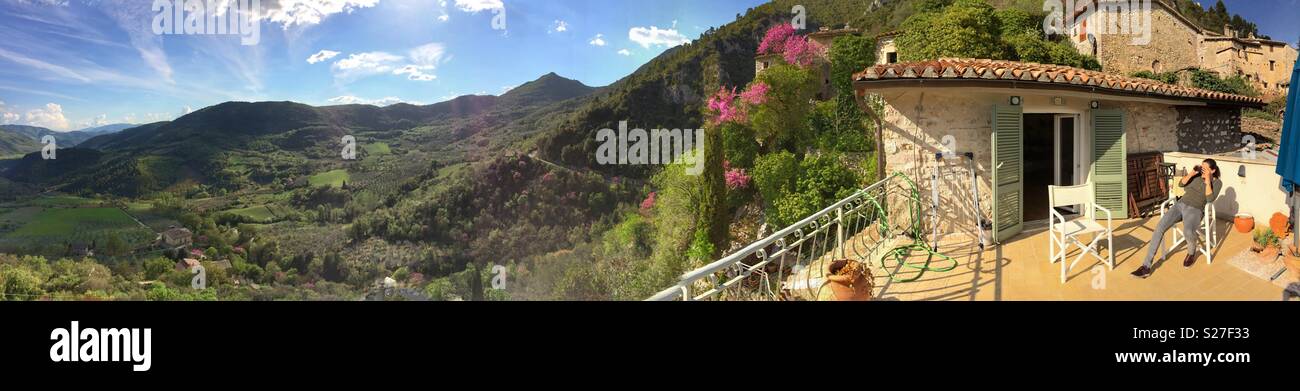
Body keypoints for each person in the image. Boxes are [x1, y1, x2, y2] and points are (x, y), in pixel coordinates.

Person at [1132, 159, 1222, 279]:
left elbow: (1210, 199)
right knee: (1159, 227)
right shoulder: (1196, 176)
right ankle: (1146, 267)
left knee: (1188, 231)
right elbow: (1181, 184)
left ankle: (1191, 252)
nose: (1202, 170)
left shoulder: (1217, 183)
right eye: (1202, 167)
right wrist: (1192, 173)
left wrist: (1208, 181)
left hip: (1195, 209)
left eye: (1205, 168)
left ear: (1213, 170)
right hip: (1180, 205)